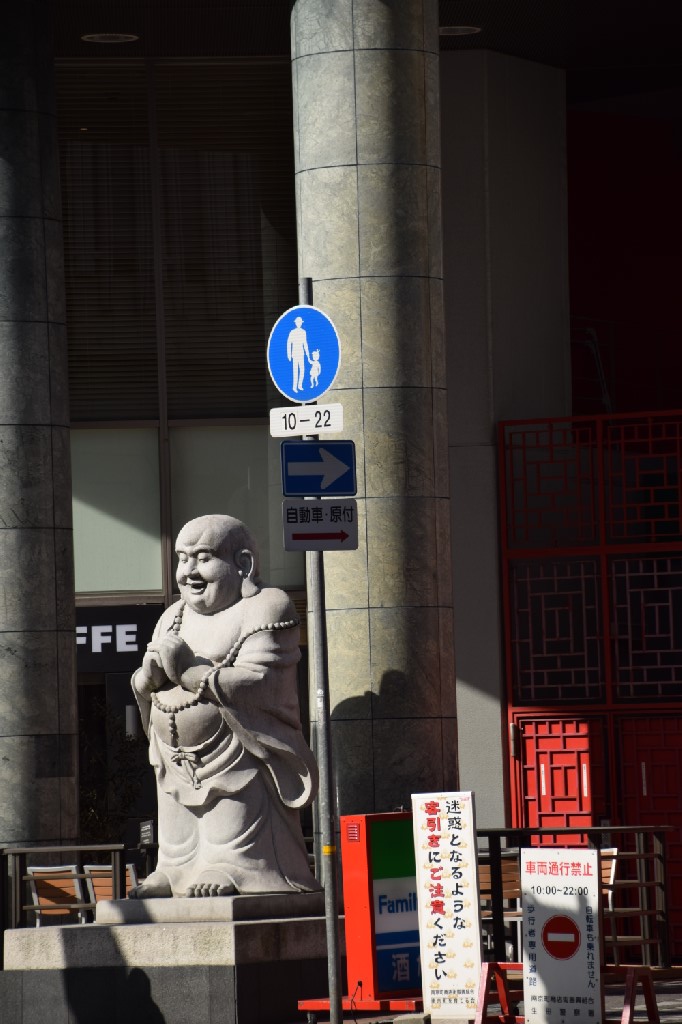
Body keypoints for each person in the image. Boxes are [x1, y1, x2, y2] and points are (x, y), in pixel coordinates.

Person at [129, 514, 320, 898]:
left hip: (238, 748)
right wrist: (145, 680)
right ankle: (174, 868)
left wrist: (188, 672)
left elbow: (260, 681)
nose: (189, 572)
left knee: (232, 808)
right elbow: (146, 681)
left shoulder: (268, 607)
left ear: (243, 564)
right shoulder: (173, 616)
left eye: (204, 558)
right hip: (175, 754)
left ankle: (239, 866)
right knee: (177, 818)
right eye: (183, 559)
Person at [286, 315, 309, 393]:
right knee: (295, 371)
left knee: (302, 370)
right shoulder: (292, 332)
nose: (299, 323)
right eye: (297, 322)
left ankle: (300, 385)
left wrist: (308, 354)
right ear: (295, 323)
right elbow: (289, 343)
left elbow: (305, 343)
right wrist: (289, 354)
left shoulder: (303, 332)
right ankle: (294, 387)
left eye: (300, 322)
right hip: (295, 354)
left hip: (301, 354)